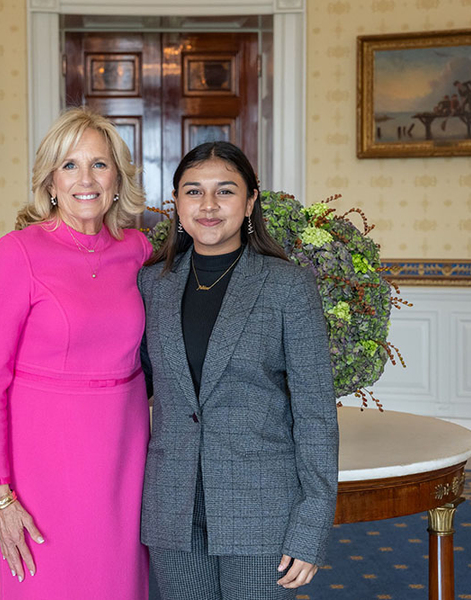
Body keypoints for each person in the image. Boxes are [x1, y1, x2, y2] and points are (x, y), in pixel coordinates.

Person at [138, 142, 339, 599]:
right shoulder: (153, 283)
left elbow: (315, 415)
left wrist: (311, 525)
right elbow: (132, 386)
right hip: (172, 509)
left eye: (224, 191)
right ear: (176, 203)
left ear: (250, 201)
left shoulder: (288, 286)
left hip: (262, 509)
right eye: (193, 192)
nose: (208, 206)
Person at [0, 107, 151, 599]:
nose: (85, 179)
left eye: (99, 163)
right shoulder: (19, 252)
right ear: (50, 179)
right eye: (70, 165)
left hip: (124, 455)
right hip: (44, 463)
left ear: (118, 176)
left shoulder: (138, 250)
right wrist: (0, 496)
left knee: (120, 584)